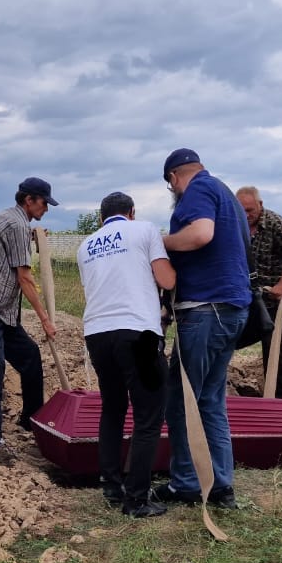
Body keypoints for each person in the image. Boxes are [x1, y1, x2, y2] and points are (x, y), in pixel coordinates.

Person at [153, 148, 251, 509]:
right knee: (210, 400)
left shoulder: (197, 189)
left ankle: (187, 484)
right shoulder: (226, 195)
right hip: (231, 310)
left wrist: (159, 242)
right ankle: (221, 485)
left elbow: (200, 235)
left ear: (173, 178)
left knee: (182, 399)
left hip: (205, 311)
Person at [77, 192, 177, 517]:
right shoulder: (145, 230)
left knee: (113, 407)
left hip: (97, 333)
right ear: (131, 212)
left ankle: (111, 484)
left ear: (100, 217)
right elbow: (166, 279)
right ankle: (136, 499)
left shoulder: (85, 245)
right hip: (137, 333)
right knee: (149, 415)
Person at [0, 177, 59, 460]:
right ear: (29, 200)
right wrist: (45, 319)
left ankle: (30, 420)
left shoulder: (9, 219)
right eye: (44, 203)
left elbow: (9, 245)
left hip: (2, 311)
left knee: (30, 356)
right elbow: (25, 278)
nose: (46, 209)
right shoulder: (16, 225)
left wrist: (33, 238)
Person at [236, 186, 282, 399]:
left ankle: (280, 395)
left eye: (250, 210)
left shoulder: (274, 223)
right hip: (245, 296)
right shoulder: (235, 224)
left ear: (260, 205)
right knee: (231, 336)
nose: (246, 215)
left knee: (274, 344)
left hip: (272, 298)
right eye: (241, 210)